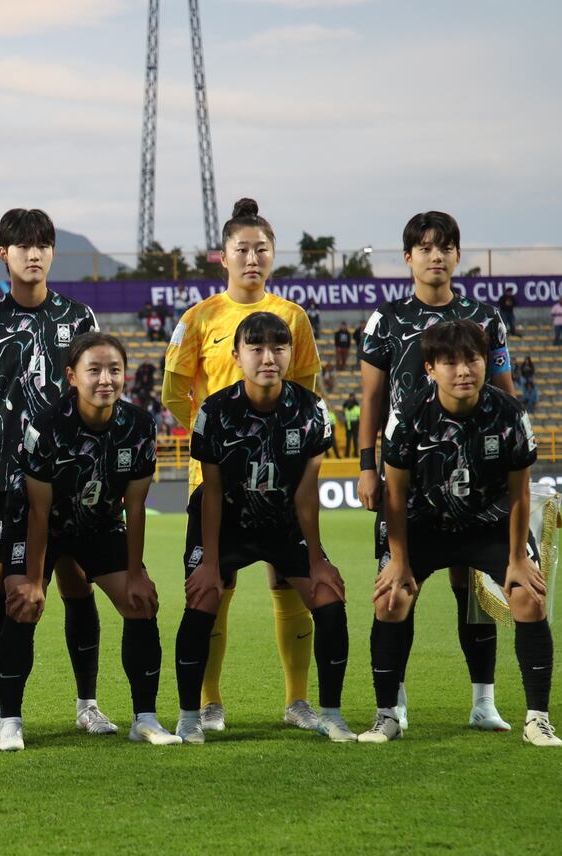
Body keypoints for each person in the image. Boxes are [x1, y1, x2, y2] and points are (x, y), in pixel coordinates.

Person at [161, 198, 323, 734]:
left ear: (273, 255)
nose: (252, 258)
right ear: (222, 256)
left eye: (262, 249)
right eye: (242, 249)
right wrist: (218, 436)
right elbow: (172, 390)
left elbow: (306, 392)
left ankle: (297, 701)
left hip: (281, 481)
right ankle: (209, 703)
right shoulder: (197, 318)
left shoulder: (292, 318)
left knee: (288, 583)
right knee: (214, 587)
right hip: (215, 481)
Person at [362, 319, 562, 747]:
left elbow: (520, 492)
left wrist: (517, 560)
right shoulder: (409, 416)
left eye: (472, 358)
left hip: (488, 523)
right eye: (449, 362)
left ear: (485, 362)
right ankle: (387, 716)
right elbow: (393, 497)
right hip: (422, 525)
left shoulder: (510, 414)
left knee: (528, 596)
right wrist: (398, 561)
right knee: (391, 598)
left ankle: (537, 719)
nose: (463, 370)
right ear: (430, 369)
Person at [358, 210, 517, 733]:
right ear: (408, 257)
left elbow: (506, 396)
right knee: (400, 584)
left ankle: (483, 700)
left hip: (476, 477)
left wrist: (511, 461)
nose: (436, 256)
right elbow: (373, 399)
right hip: (410, 475)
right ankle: (395, 704)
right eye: (425, 248)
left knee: (472, 591)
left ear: (456, 255)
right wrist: (367, 468)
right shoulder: (386, 318)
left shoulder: (485, 317)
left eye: (445, 247)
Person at [173, 312, 353, 744]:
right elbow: (211, 493)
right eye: (256, 348)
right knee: (204, 598)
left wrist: (318, 560)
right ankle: (189, 716)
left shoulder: (311, 410)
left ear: (292, 354)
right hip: (225, 523)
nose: (268, 357)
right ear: (236, 356)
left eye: (278, 348)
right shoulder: (215, 411)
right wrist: (210, 563)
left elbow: (308, 495)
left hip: (283, 522)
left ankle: (330, 713)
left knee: (329, 599)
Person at [0, 208, 108, 739]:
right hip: (5, 482)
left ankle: (87, 702)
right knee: (4, 591)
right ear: (4, 253)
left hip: (69, 480)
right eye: (22, 245)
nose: (34, 253)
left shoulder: (79, 318)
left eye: (43, 244)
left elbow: (94, 398)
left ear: (52, 252)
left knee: (76, 582)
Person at [0, 331, 179, 749]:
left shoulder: (139, 425)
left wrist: (135, 574)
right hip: (39, 523)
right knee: (23, 605)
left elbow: (135, 507)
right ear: (71, 376)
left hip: (98, 524)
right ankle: (10, 720)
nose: (105, 379)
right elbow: (39, 511)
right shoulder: (46, 426)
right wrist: (33, 580)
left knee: (141, 602)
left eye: (114, 370)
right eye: (94, 370)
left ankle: (144, 718)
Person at [343, 393, 360, 458]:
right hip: (352, 423)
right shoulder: (356, 405)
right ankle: (353, 453)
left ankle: (349, 454)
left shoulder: (347, 405)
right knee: (353, 439)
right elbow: (358, 415)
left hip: (349, 424)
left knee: (351, 439)